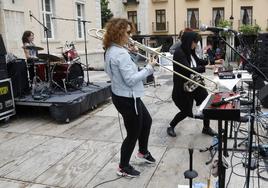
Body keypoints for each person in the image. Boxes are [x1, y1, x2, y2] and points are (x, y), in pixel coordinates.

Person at [103, 18, 157, 178]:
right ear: (118, 33)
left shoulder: (111, 50)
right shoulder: (120, 53)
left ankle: (143, 152)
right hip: (128, 98)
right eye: (127, 32)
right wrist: (149, 68)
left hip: (123, 95)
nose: (130, 35)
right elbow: (131, 79)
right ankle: (123, 166)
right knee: (133, 133)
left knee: (146, 121)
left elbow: (122, 71)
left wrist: (132, 56)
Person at [167, 31, 217, 137]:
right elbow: (188, 70)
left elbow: (197, 61)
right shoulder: (179, 53)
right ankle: (171, 126)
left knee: (206, 104)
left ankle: (206, 127)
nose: (196, 45)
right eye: (195, 42)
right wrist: (205, 68)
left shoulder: (190, 51)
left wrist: (214, 62)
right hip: (183, 88)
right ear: (189, 41)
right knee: (186, 112)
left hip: (195, 84)